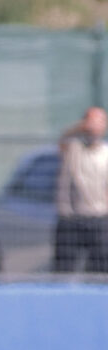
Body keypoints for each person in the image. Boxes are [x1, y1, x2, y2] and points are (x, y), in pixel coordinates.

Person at [53, 106, 108, 274]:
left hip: (99, 219)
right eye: (91, 121)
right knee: (64, 270)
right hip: (72, 219)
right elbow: (63, 138)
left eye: (99, 121)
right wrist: (82, 126)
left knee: (100, 271)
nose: (95, 126)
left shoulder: (105, 153)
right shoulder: (73, 148)